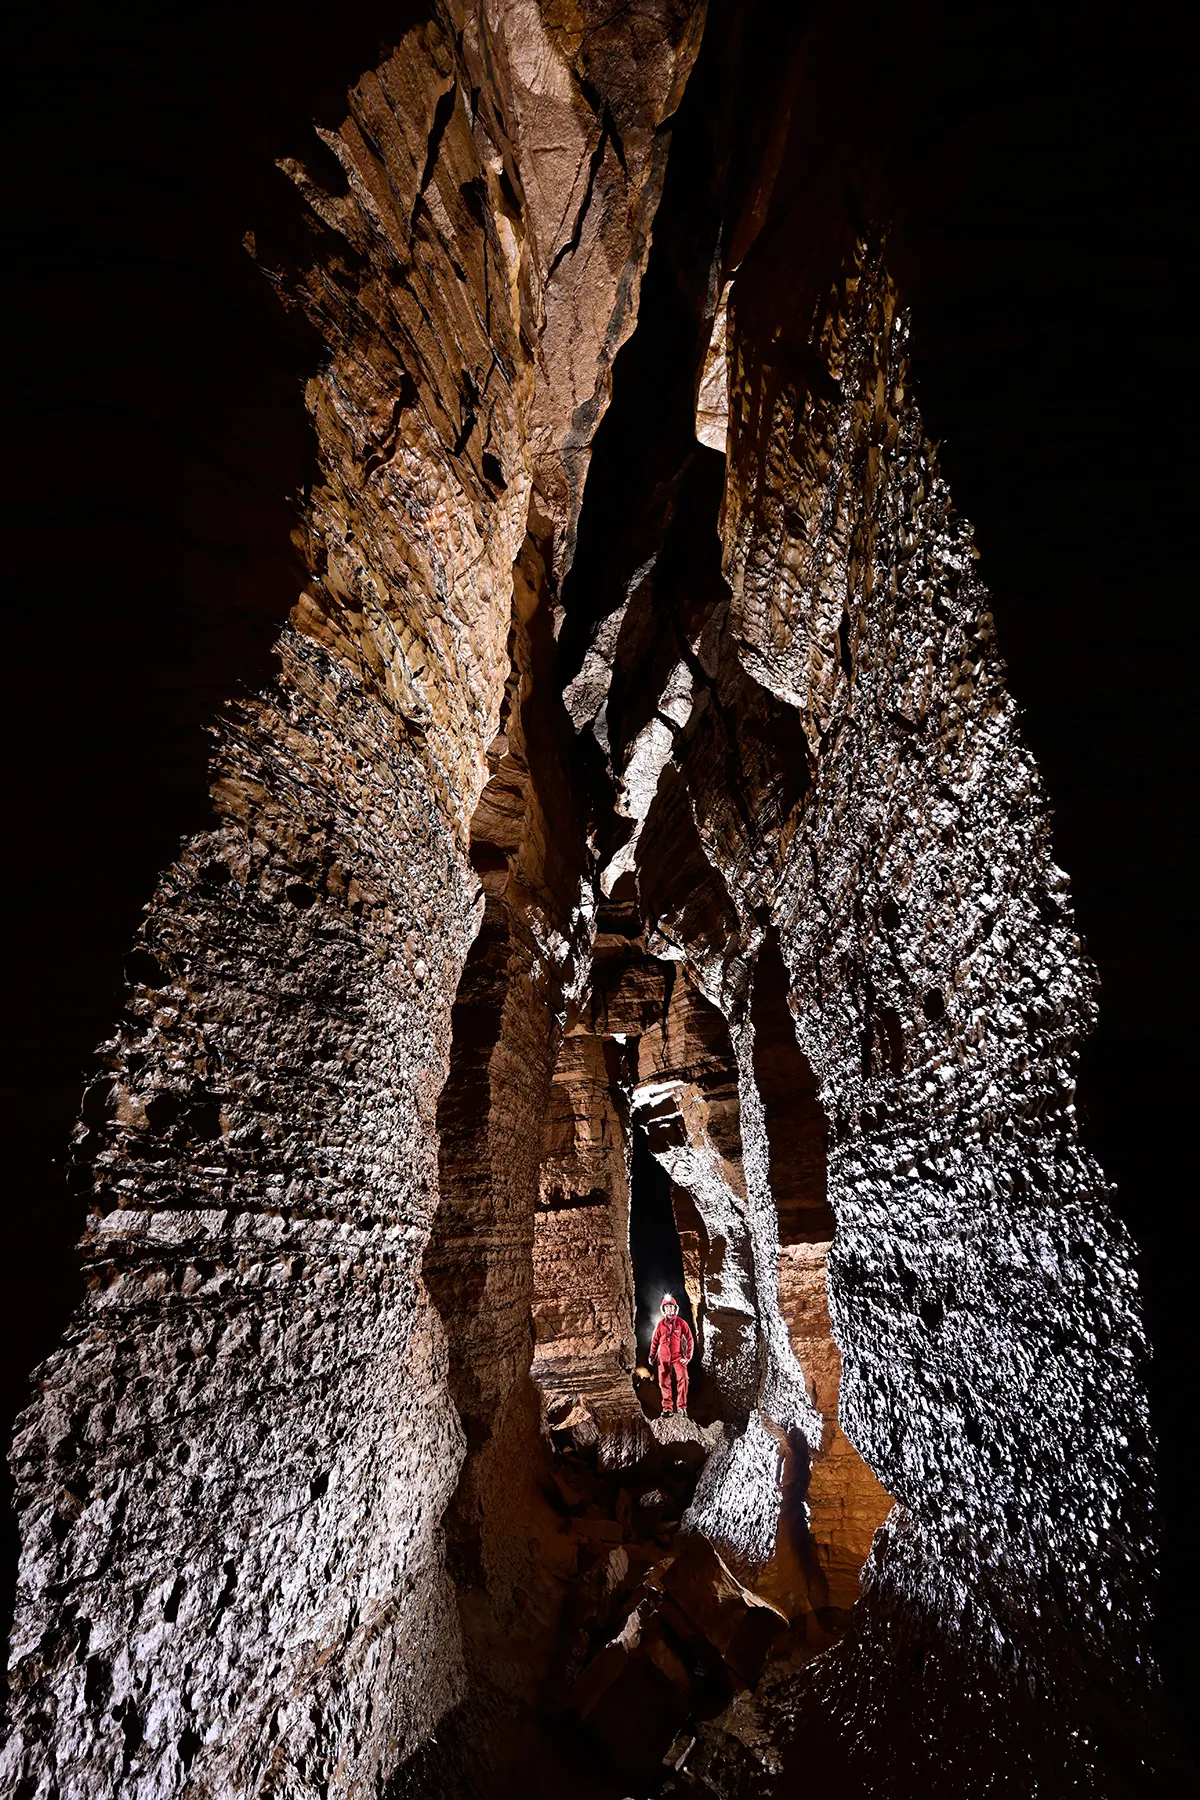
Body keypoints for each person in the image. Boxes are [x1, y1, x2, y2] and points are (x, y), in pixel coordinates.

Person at [649, 1293, 693, 1415]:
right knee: (664, 1382)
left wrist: (687, 1356)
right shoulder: (660, 1325)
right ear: (664, 1309)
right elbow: (655, 1341)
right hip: (663, 1357)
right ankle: (667, 1408)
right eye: (667, 1307)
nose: (669, 1309)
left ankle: (681, 1407)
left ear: (675, 1308)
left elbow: (689, 1339)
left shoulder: (681, 1323)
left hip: (678, 1356)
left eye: (671, 1306)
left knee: (683, 1378)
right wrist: (652, 1355)